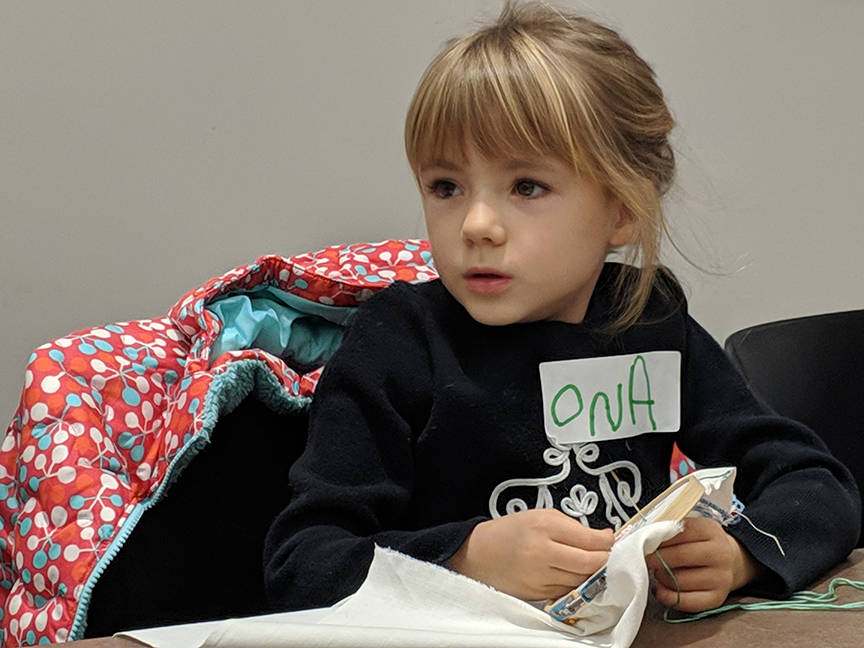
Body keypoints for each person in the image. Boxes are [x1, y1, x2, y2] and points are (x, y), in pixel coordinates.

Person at [263, 0, 860, 616]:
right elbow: (302, 563)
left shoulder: (647, 319)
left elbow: (817, 484)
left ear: (622, 209)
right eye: (446, 187)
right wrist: (464, 559)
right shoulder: (397, 341)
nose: (476, 224)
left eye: (527, 186)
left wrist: (742, 554)